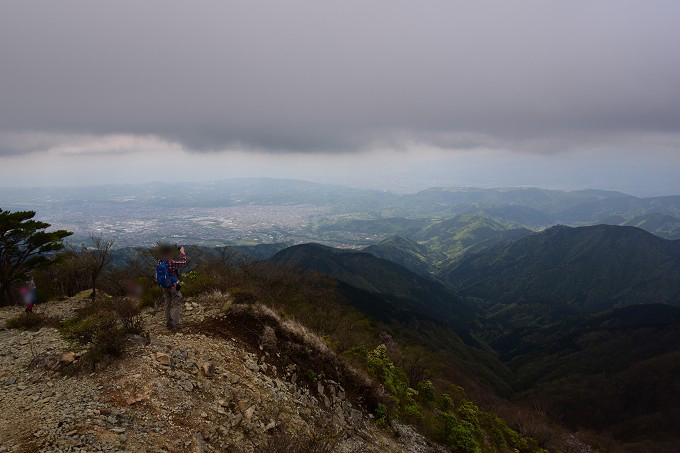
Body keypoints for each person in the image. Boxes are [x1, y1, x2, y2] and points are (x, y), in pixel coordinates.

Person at [156, 245, 187, 330]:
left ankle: (168, 322)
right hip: (173, 286)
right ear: (169, 252)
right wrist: (182, 253)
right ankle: (175, 324)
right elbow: (183, 262)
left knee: (167, 303)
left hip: (164, 285)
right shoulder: (171, 262)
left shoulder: (159, 261)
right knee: (177, 304)